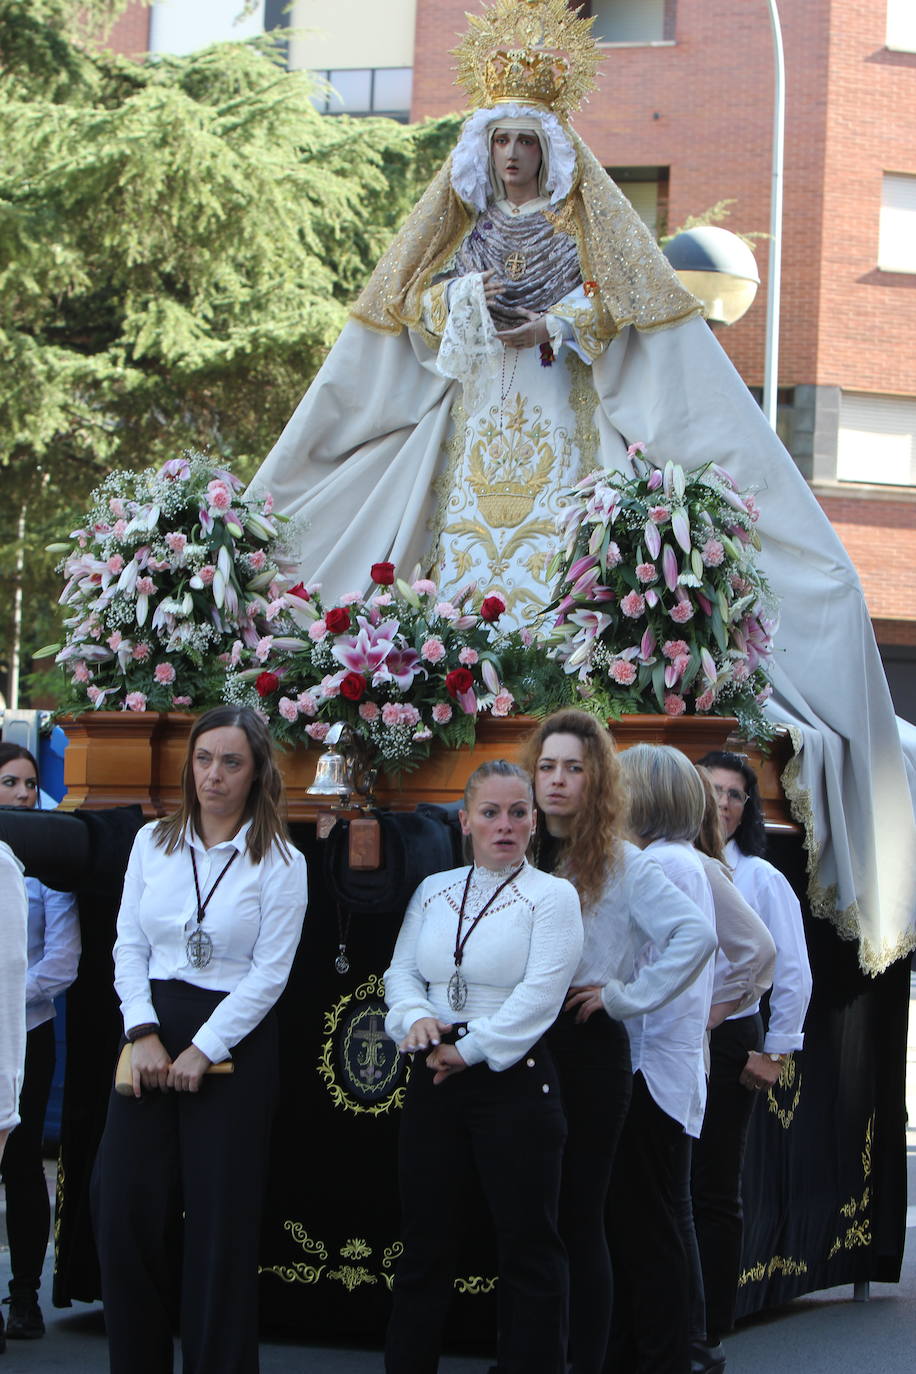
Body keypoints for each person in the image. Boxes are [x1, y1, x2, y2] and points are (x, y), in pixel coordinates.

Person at [250, 0, 913, 994]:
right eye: (500, 140)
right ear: (480, 151)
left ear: (552, 151)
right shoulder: (453, 238)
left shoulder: (589, 230)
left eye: (527, 141)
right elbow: (412, 319)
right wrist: (462, 307)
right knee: (448, 561)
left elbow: (625, 323)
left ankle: (564, 692)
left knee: (560, 567)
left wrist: (560, 327)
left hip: (559, 433)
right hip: (472, 437)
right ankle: (457, 668)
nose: (513, 156)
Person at [92, 706, 308, 1374]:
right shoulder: (151, 842)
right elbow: (128, 943)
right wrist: (145, 1031)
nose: (214, 775)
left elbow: (270, 974)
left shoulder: (281, 859)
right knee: (122, 1213)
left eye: (231, 762)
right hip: (151, 1028)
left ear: (257, 772)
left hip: (233, 1041)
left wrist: (205, 1047)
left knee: (220, 1232)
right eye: (204, 759)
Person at [519, 711, 716, 1374]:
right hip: (518, 1043)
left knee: (579, 1216)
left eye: (574, 768)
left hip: (586, 1044)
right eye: (548, 766)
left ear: (597, 778)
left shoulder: (622, 860)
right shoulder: (517, 844)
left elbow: (695, 936)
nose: (558, 781)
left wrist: (621, 996)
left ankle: (587, 1363)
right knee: (527, 1218)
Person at [383, 759, 583, 1374]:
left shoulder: (553, 896)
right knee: (424, 1248)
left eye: (518, 812)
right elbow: (402, 972)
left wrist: (466, 1051)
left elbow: (540, 996)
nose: (505, 825)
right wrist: (412, 1019)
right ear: (465, 820)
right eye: (490, 813)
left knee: (528, 1248)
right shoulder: (434, 889)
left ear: (534, 821)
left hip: (512, 1082)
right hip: (433, 1074)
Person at [690, 749, 812, 1366]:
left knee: (713, 1185)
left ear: (747, 809)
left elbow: (791, 972)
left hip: (732, 1037)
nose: (721, 802)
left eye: (734, 793)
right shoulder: (668, 864)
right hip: (669, 1037)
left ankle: (708, 1324)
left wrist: (774, 1051)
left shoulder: (762, 878)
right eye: (710, 789)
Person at [606, 743, 716, 1374]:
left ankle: (662, 1355)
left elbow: (646, 967)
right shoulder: (676, 861)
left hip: (649, 1065)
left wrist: (609, 993)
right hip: (660, 1064)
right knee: (652, 1220)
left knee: (651, 1226)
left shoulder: (667, 867)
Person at [0, 742, 81, 1342]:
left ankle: (24, 1298)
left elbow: (63, 961)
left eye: (29, 783)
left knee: (24, 1166)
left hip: (27, 1031)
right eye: (9, 783)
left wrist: (8, 997)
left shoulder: (49, 860)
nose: (24, 794)